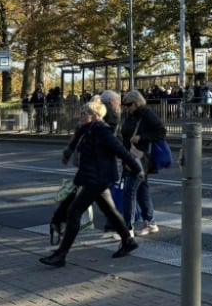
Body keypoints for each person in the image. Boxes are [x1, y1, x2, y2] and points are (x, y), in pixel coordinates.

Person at [39, 98, 143, 267]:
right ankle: (128, 241)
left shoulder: (103, 132)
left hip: (99, 178)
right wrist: (68, 152)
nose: (80, 116)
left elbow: (121, 151)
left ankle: (61, 255)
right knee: (109, 210)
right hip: (92, 177)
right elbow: (75, 140)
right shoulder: (87, 130)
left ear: (95, 116)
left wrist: (137, 169)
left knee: (74, 212)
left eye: (84, 114)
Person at [120, 90, 166, 235]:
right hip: (132, 156)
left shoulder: (146, 114)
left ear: (137, 102)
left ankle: (128, 227)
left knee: (129, 191)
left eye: (129, 104)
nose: (127, 107)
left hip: (141, 157)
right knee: (141, 191)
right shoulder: (132, 114)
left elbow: (161, 131)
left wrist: (142, 137)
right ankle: (150, 222)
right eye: (125, 105)